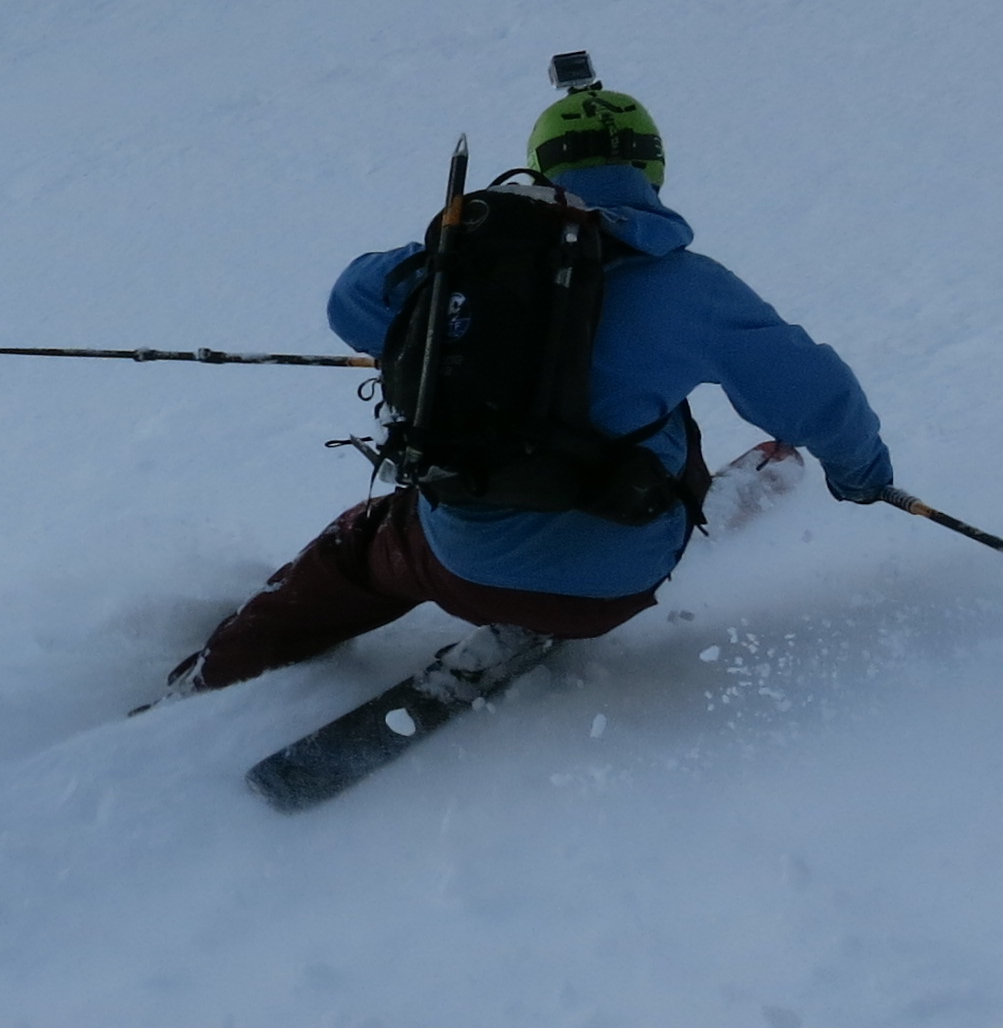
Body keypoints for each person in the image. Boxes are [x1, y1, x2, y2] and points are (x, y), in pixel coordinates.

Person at [170, 82, 893, 693]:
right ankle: (650, 524)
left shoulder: (466, 265)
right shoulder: (692, 289)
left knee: (358, 549)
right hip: (615, 585)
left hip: (455, 562)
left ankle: (217, 674)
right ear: (653, 169)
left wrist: (451, 284)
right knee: (667, 415)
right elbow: (821, 397)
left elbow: (348, 302)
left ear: (539, 167)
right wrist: (862, 477)